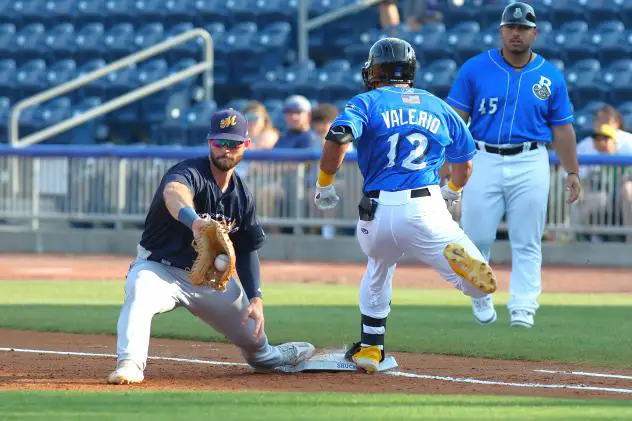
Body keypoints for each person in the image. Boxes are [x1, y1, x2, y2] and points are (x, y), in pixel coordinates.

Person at [314, 37, 498, 374]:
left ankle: (371, 348)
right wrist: (453, 189)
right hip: (424, 207)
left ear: (374, 71)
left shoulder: (366, 101)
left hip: (377, 211)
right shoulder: (438, 105)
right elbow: (465, 163)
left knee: (378, 267)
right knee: (467, 270)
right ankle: (476, 290)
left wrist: (325, 184)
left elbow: (338, 138)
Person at [107, 109, 315, 385]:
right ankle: (130, 365)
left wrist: (256, 297)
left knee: (255, 344)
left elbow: (248, 249)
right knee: (140, 293)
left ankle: (274, 355)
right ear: (209, 142)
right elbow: (174, 193)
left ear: (246, 145)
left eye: (233, 143)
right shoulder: (190, 172)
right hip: (159, 268)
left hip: (208, 280)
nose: (226, 150)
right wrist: (194, 221)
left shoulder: (242, 196)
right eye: (220, 143)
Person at [445, 2, 581, 328]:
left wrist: (572, 171)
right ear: (501, 31)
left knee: (527, 239)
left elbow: (562, 128)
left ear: (534, 32)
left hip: (531, 158)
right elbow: (454, 120)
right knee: (476, 238)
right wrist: (447, 163)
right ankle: (480, 296)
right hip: (483, 157)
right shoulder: (475, 68)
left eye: (522, 28)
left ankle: (523, 307)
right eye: (511, 27)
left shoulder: (550, 75)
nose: (516, 33)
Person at [571, 106, 632, 243]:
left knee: (627, 190)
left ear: (614, 141)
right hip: (599, 199)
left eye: (605, 138)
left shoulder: (627, 144)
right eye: (598, 139)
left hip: (620, 199)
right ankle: (573, 238)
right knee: (594, 198)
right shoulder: (587, 150)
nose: (601, 142)